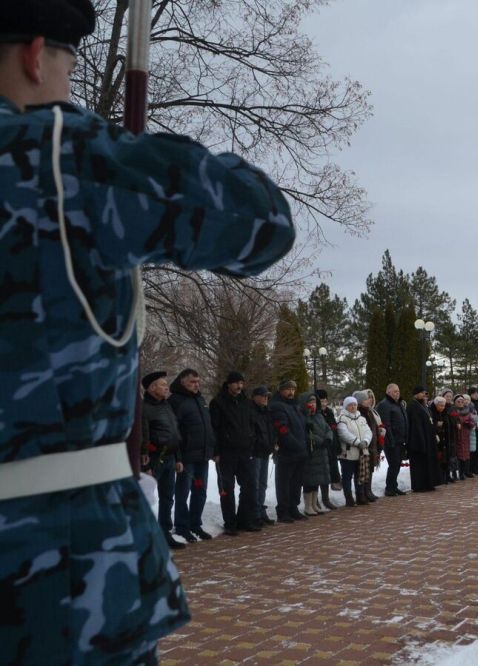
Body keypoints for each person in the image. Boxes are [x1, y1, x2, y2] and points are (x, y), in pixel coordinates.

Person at [0, 0, 296, 660]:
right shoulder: (63, 163)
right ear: (34, 52)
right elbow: (263, 221)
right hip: (59, 575)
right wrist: (101, 146)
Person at [140, 371, 186, 550]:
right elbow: (144, 436)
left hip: (170, 457)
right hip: (154, 459)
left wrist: (178, 457)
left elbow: (174, 433)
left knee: (167, 498)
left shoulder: (167, 406)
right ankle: (146, 536)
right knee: (148, 499)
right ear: (152, 388)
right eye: (162, 384)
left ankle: (165, 533)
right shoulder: (144, 408)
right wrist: (146, 464)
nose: (166, 387)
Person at [210, 371, 258, 536]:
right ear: (228, 384)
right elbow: (214, 428)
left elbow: (251, 424)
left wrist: (251, 441)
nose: (239, 386)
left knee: (250, 485)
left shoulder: (246, 402)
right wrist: (215, 451)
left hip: (245, 451)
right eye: (236, 383)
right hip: (226, 452)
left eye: (241, 383)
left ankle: (245, 519)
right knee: (227, 489)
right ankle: (230, 522)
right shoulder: (218, 402)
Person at [170, 369, 216, 542]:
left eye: (198, 381)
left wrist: (212, 449)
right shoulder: (176, 401)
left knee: (200, 491)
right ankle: (181, 526)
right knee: (183, 492)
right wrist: (178, 456)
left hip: (202, 456)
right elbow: (174, 431)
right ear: (183, 382)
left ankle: (195, 523)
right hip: (187, 457)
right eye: (192, 382)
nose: (196, 385)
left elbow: (208, 427)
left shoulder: (200, 399)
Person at [270, 380, 309, 522]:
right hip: (287, 452)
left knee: (296, 482)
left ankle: (293, 507)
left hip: (300, 451)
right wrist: (297, 445)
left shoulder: (295, 406)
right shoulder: (277, 406)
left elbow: (301, 427)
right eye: (288, 389)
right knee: (284, 483)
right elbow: (283, 430)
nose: (291, 392)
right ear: (280, 390)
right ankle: (283, 510)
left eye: (293, 389)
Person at [300, 392, 333, 516]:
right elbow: (308, 434)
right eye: (310, 402)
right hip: (312, 452)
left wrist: (328, 438)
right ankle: (308, 505)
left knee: (317, 480)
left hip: (322, 452)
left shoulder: (319, 416)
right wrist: (320, 441)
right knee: (310, 480)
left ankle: (314, 504)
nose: (312, 405)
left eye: (314, 402)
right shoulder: (304, 417)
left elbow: (327, 428)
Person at [336, 396, 372, 506]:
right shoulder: (342, 419)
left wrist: (365, 441)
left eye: (355, 404)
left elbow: (368, 431)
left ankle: (360, 496)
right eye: (350, 405)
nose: (353, 407)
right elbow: (343, 434)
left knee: (360, 475)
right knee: (347, 477)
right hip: (348, 453)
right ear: (346, 406)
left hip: (361, 452)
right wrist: (357, 442)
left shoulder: (361, 418)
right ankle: (349, 498)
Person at [249, 386, 276, 525]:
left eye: (267, 396)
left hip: (265, 451)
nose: (266, 398)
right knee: (255, 484)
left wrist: (272, 443)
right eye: (263, 396)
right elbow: (251, 433)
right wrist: (260, 444)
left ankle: (260, 509)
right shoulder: (250, 411)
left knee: (263, 483)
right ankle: (255, 513)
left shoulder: (267, 411)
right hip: (255, 452)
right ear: (255, 396)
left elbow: (271, 430)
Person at [376, 383, 409, 496]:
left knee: (397, 464)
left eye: (398, 391)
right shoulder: (384, 405)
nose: (397, 393)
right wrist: (391, 440)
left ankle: (393, 486)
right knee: (394, 464)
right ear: (388, 392)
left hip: (400, 440)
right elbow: (386, 424)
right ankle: (389, 488)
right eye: (395, 391)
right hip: (392, 441)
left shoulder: (398, 404)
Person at [406, 386, 438, 492]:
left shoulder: (424, 406)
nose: (424, 395)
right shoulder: (412, 406)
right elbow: (416, 426)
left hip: (427, 438)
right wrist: (421, 440)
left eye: (425, 393)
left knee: (427, 462)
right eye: (422, 393)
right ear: (416, 394)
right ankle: (419, 486)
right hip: (417, 440)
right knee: (418, 464)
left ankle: (428, 483)